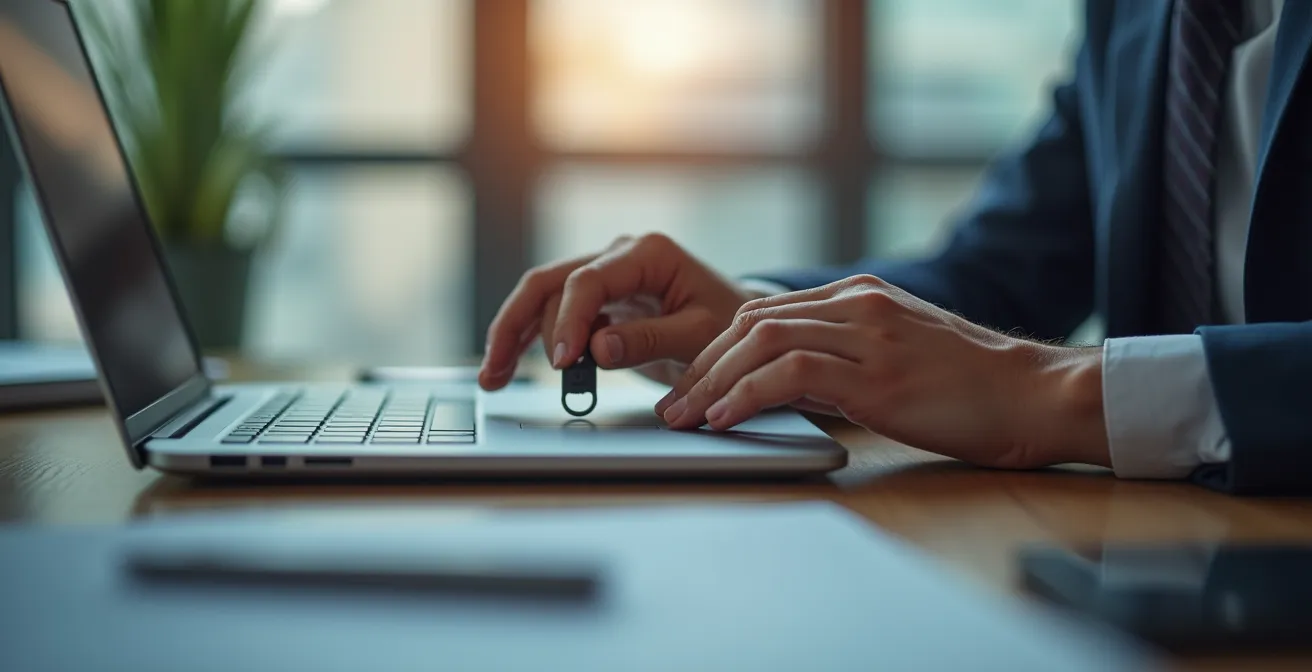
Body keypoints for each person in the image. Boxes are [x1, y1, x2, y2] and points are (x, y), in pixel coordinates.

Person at [480, 0, 1312, 495]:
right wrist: (761, 317)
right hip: (1157, 558)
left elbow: (1003, 366)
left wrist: (1058, 395)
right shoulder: (1139, 11)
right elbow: (994, 272)